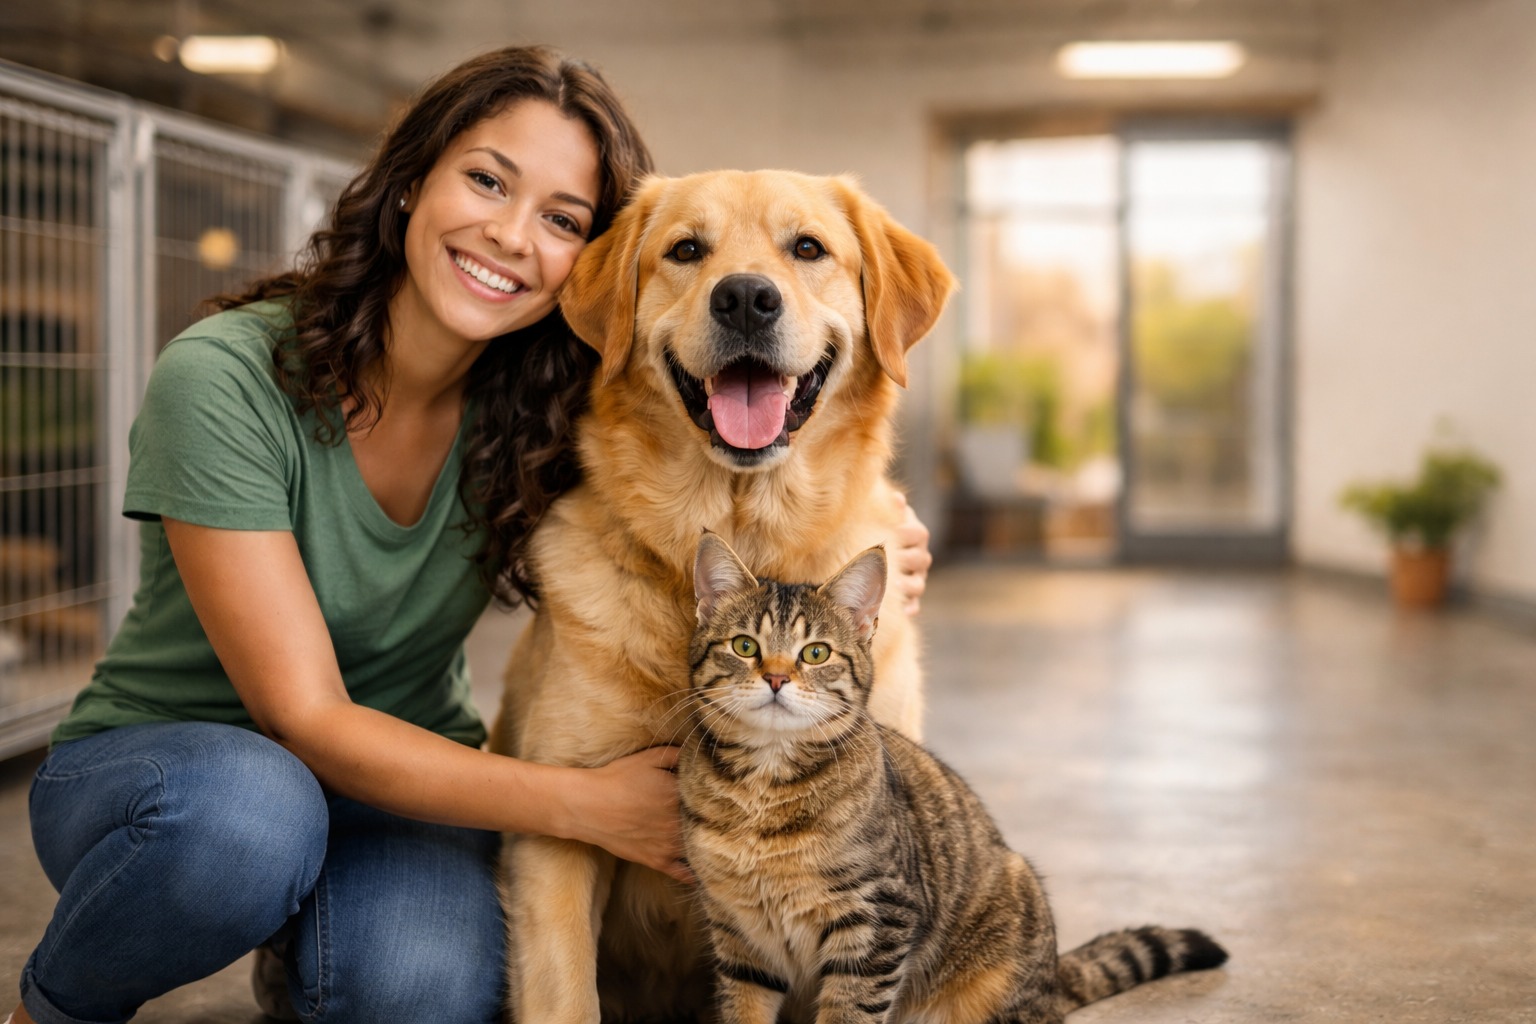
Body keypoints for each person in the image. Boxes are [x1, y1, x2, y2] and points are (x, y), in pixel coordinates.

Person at [7, 45, 932, 1024]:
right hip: (180, 778)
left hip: (413, 787)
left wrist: (870, 531)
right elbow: (305, 718)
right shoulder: (224, 378)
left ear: (586, 264)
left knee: (420, 988)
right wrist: (581, 803)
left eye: (562, 219)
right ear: (410, 182)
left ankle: (311, 945)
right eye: (487, 179)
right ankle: (56, 1006)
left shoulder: (544, 398)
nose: (509, 232)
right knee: (248, 818)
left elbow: (750, 449)